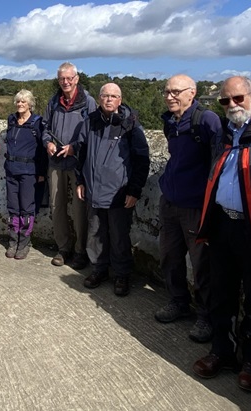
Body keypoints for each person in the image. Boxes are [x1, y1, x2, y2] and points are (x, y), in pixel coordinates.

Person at [193, 76, 251, 393]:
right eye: (225, 101)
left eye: (238, 98)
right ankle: (222, 353)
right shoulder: (229, 131)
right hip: (223, 225)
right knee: (222, 294)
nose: (232, 105)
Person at [154, 75, 223, 343]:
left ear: (192, 93)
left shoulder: (206, 120)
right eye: (167, 92)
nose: (170, 96)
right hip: (170, 200)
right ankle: (179, 302)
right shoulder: (170, 121)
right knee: (169, 257)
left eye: (176, 92)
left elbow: (218, 160)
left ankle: (206, 316)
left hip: (195, 205)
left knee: (201, 264)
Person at [75, 83, 150, 297]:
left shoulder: (130, 125)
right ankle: (98, 270)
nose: (109, 100)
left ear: (120, 99)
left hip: (119, 192)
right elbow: (81, 153)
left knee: (118, 236)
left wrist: (134, 191)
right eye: (105, 95)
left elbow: (141, 159)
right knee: (95, 233)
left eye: (113, 96)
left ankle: (121, 274)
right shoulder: (90, 121)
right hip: (93, 190)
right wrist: (80, 180)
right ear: (99, 98)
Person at [42, 62, 97, 269]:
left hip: (77, 163)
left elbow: (92, 133)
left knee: (79, 208)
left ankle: (81, 251)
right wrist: (47, 142)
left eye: (69, 78)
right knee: (57, 207)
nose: (65, 82)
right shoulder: (54, 101)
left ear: (76, 79)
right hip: (55, 162)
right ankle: (64, 248)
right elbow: (44, 127)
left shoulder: (88, 102)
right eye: (61, 79)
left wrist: (74, 148)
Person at [3, 90, 46, 259]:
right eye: (18, 101)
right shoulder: (11, 120)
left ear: (30, 104)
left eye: (24, 102)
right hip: (11, 170)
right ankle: (13, 241)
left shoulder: (37, 123)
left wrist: (41, 172)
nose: (20, 104)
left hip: (29, 172)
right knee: (13, 208)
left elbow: (42, 149)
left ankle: (24, 243)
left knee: (27, 210)